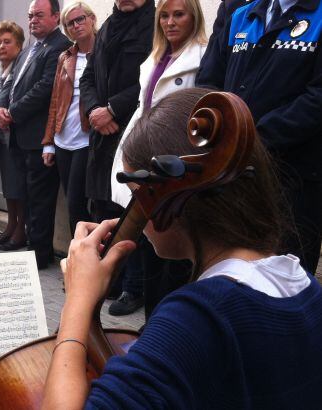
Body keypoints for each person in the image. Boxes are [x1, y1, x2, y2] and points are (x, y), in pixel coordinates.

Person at [40, 87, 322, 409]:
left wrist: (77, 300)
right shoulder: (304, 286)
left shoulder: (196, 318)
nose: (136, 213)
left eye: (137, 194)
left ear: (168, 197)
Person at [197, 0, 322, 275]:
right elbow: (208, 80)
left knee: (284, 281)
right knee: (233, 271)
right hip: (234, 175)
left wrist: (253, 138)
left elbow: (317, 98)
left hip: (293, 180)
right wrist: (222, 129)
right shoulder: (242, 15)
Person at [107, 0, 208, 316]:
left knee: (170, 249)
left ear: (194, 17)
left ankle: (165, 320)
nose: (170, 22)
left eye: (179, 15)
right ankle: (148, 311)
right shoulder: (155, 57)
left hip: (174, 158)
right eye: (164, 15)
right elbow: (143, 106)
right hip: (143, 150)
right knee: (146, 240)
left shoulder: (202, 57)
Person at [78, 0, 154, 310]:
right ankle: (111, 278)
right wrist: (95, 109)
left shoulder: (154, 25)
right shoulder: (108, 26)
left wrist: (112, 109)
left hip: (133, 130)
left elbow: (151, 78)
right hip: (102, 132)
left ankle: (133, 288)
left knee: (131, 209)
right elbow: (87, 78)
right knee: (104, 206)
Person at [0, 0, 71, 268]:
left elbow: (45, 89)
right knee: (27, 196)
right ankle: (31, 246)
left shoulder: (60, 46)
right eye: (30, 16)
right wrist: (0, 110)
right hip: (19, 135)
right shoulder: (29, 50)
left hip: (40, 138)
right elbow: (13, 85)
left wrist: (12, 112)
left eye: (39, 15)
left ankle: (40, 255)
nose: (33, 20)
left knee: (40, 200)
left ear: (56, 17)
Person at [41, 1, 97, 241]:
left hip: (88, 139)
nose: (76, 25)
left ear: (92, 19)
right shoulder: (66, 56)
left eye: (80, 19)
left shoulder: (103, 53)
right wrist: (49, 142)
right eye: (70, 23)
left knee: (78, 204)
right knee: (73, 205)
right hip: (64, 140)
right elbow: (55, 100)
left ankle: (85, 260)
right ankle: (78, 258)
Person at [0, 20, 27, 250]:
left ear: (19, 45)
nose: (1, 46)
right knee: (8, 186)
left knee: (18, 185)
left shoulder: (20, 69)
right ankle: (10, 225)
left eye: (7, 42)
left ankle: (21, 229)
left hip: (16, 137)